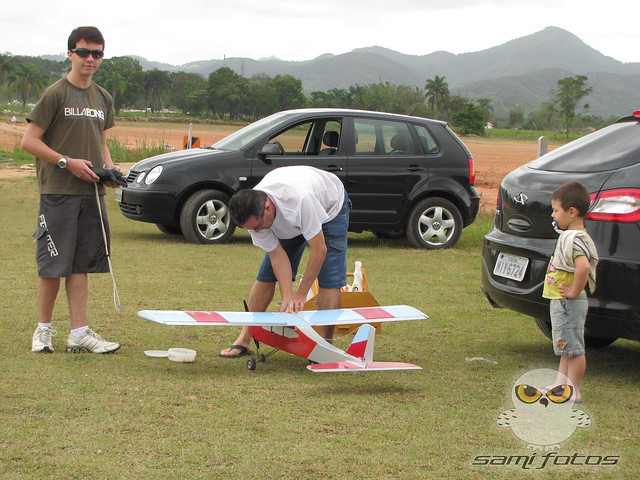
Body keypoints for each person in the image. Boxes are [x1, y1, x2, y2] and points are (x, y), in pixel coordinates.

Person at [21, 26, 121, 354]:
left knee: (81, 264)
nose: (90, 59)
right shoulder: (56, 94)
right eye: (84, 52)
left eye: (97, 53)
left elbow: (101, 142)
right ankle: (43, 331)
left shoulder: (103, 97)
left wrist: (109, 170)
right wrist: (67, 162)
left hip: (91, 194)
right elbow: (29, 141)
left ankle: (78, 333)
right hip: (58, 190)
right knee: (53, 262)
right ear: (70, 53)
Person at [219, 165, 349, 358]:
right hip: (289, 219)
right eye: (250, 229)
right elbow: (277, 256)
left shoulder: (301, 201)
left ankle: (325, 346)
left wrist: (301, 294)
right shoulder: (252, 214)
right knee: (266, 276)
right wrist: (288, 297)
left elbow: (319, 249)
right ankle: (245, 338)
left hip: (330, 208)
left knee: (329, 278)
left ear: (267, 208)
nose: (257, 232)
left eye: (257, 226)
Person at [542, 181, 598, 402]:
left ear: (572, 212)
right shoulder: (569, 236)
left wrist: (574, 291)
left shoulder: (575, 239)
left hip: (569, 303)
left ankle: (574, 389)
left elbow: (583, 266)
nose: (553, 214)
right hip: (561, 301)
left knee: (574, 347)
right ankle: (560, 383)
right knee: (565, 345)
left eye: (556, 210)